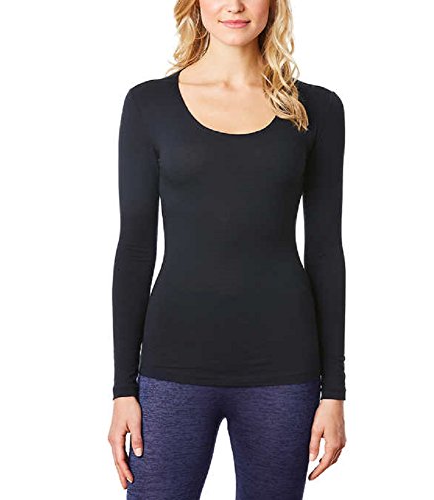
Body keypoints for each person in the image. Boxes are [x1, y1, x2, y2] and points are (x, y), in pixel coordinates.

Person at [107, 1, 347, 498]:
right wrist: (123, 388)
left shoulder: (317, 109)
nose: (234, 5)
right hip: (171, 366)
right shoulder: (149, 105)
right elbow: (134, 250)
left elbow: (325, 252)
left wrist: (335, 392)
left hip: (284, 369)